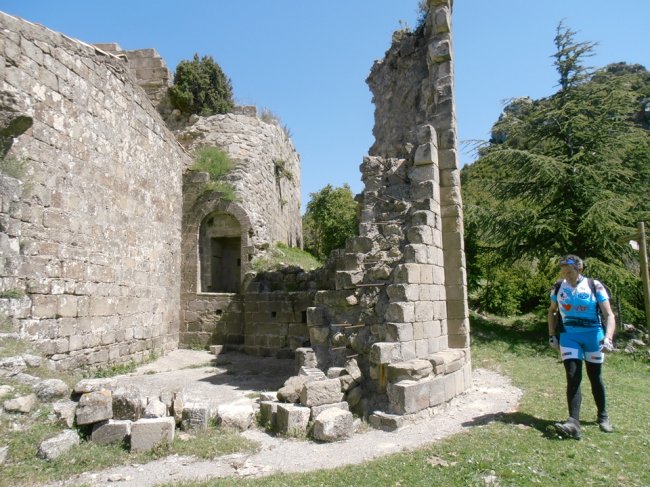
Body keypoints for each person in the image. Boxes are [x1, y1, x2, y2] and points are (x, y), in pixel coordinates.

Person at [547, 254, 615, 440]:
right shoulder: (558, 286)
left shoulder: (594, 285)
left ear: (580, 269)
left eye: (569, 272)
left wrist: (608, 338)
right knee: (573, 376)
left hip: (593, 337)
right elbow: (552, 311)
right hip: (569, 336)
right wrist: (552, 335)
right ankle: (573, 423)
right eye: (563, 272)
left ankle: (603, 416)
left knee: (595, 377)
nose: (566, 275)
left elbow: (609, 315)